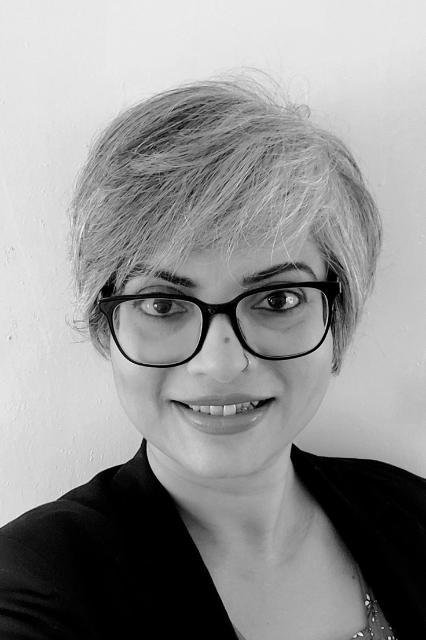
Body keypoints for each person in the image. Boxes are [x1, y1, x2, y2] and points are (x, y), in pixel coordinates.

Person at [0, 73, 425, 640]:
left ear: (337, 315)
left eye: (278, 299)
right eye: (162, 304)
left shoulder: (411, 511)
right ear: (107, 323)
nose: (221, 365)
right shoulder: (36, 581)